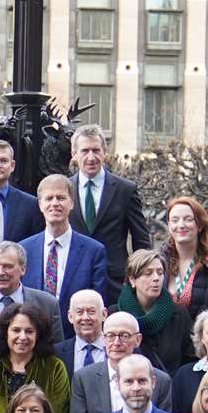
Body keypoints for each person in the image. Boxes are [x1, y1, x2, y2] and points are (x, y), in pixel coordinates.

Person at [67, 126, 151, 298]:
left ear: (105, 152)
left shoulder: (125, 190)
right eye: (84, 151)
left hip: (115, 283)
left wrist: (139, 278)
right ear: (74, 154)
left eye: (96, 150)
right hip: (73, 279)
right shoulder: (64, 190)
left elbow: (141, 240)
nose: (91, 157)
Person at [67, 311, 172, 413]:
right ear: (103, 339)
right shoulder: (84, 379)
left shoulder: (161, 380)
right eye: (110, 336)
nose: (116, 343)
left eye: (124, 336)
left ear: (138, 340)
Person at [20, 174, 109, 309]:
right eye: (49, 198)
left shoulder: (93, 251)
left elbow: (97, 303)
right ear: (40, 204)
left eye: (61, 198)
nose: (55, 203)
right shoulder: (23, 249)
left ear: (72, 203)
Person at [0, 242, 61, 339]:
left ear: (23, 269)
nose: (0, 273)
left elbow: (56, 350)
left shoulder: (47, 304)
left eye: (8, 266)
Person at [159, 196, 208, 316]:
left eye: (188, 219)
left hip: (202, 333)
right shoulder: (159, 262)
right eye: (175, 220)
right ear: (169, 226)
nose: (181, 225)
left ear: (200, 225)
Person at [116, 249, 191, 372]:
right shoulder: (117, 315)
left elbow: (189, 360)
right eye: (148, 273)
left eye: (160, 273)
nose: (156, 278)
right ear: (132, 280)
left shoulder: (179, 315)